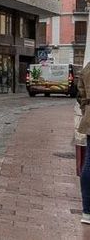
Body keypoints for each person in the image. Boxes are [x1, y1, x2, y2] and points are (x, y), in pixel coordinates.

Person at [78, 62, 90, 224]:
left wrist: (86, 112)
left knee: (89, 162)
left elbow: (80, 96)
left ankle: (87, 210)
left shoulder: (87, 68)